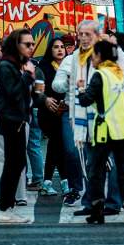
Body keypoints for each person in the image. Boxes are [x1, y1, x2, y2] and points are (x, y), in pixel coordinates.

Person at [52, 20, 121, 213]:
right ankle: (90, 202)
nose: (83, 38)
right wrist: (67, 82)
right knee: (88, 160)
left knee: (110, 161)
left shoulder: (109, 55)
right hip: (81, 115)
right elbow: (57, 85)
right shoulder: (72, 59)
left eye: (87, 34)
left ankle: (113, 202)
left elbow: (120, 79)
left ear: (97, 36)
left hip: (105, 115)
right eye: (80, 34)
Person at [76, 40, 124, 225]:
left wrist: (80, 89)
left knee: (97, 170)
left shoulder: (100, 75)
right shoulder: (121, 75)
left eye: (94, 55)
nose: (92, 58)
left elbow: (87, 100)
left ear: (101, 56)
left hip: (106, 129)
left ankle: (97, 210)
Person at [0, 29, 37, 224]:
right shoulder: (7, 65)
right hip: (11, 120)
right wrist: (28, 76)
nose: (31, 47)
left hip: (18, 119)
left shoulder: (16, 64)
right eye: (26, 44)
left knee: (17, 163)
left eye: (32, 44)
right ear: (16, 45)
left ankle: (8, 207)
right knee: (13, 163)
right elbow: (14, 92)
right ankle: (5, 209)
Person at [38, 37, 69, 197]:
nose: (60, 49)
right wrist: (45, 99)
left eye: (62, 47)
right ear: (50, 50)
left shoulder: (68, 66)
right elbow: (37, 91)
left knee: (56, 146)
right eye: (56, 47)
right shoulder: (42, 67)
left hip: (64, 111)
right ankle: (63, 182)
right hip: (48, 112)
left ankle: (49, 182)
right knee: (57, 144)